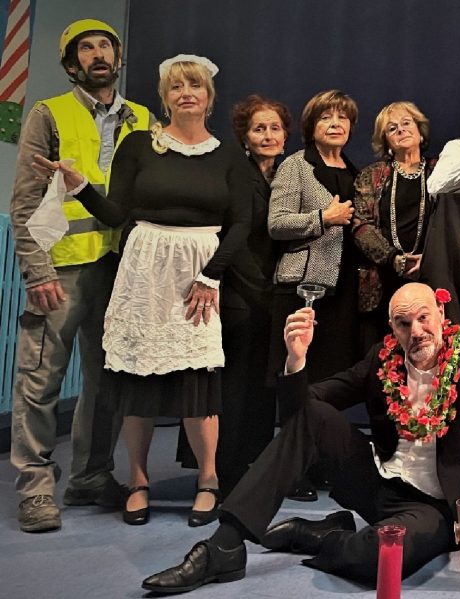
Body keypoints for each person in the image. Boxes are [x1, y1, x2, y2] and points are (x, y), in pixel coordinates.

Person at [140, 283, 460, 594]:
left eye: (423, 318)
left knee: (379, 559)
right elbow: (303, 411)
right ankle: (224, 545)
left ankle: (323, 537)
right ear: (392, 328)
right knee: (315, 416)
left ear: (441, 313)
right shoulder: (381, 359)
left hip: (433, 508)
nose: (416, 331)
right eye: (403, 324)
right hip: (377, 484)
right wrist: (296, 360)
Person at [35, 55, 251, 528]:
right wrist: (80, 187)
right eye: (176, 87)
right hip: (145, 273)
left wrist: (211, 275)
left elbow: (241, 223)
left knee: (197, 380)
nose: (186, 93)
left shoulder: (228, 155)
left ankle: (208, 480)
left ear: (209, 96)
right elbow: (117, 214)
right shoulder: (138, 145)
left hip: (200, 275)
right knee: (138, 381)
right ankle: (137, 481)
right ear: (164, 97)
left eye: (194, 85)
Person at [8, 18, 152, 533]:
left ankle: (91, 477)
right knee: (40, 379)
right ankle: (35, 489)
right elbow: (25, 202)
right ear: (72, 65)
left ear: (117, 58)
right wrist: (37, 271)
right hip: (62, 269)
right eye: (86, 48)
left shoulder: (143, 118)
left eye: (105, 46)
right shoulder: (50, 114)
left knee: (106, 380)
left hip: (120, 272)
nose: (98, 54)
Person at [213, 95, 292, 496]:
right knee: (235, 385)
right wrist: (258, 287)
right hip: (239, 292)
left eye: (275, 128)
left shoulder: (285, 175)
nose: (268, 135)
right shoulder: (237, 173)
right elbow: (234, 236)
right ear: (244, 136)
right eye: (259, 128)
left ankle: (257, 466)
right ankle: (225, 471)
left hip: (271, 294)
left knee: (264, 384)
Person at [267, 90, 361, 382]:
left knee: (333, 377)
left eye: (342, 117)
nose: (335, 123)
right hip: (303, 288)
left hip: (345, 290)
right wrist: (323, 218)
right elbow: (276, 223)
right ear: (311, 126)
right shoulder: (296, 165)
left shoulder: (356, 172)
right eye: (326, 117)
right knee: (299, 375)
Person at [351, 101, 437, 345]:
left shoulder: (440, 170)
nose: (401, 129)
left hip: (430, 273)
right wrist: (393, 259)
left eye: (407, 123)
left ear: (420, 131)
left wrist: (429, 259)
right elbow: (361, 225)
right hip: (382, 279)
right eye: (392, 128)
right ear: (386, 141)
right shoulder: (371, 175)